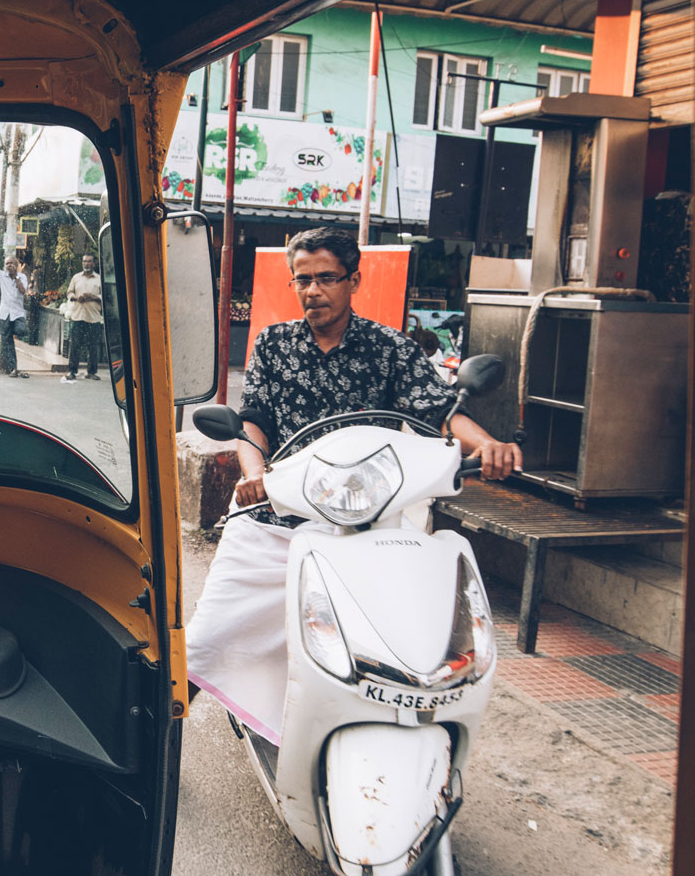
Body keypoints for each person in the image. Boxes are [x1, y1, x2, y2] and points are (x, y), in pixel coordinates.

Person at [182, 227, 520, 741]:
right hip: (276, 513)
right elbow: (252, 420)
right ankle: (155, 744)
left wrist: (486, 445)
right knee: (207, 639)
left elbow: (438, 411)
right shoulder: (273, 344)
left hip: (365, 529)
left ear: (353, 280)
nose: (313, 290)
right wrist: (254, 474)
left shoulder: (391, 348)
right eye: (302, 280)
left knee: (393, 646)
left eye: (326, 278)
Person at [0, 249, 31, 378]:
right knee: (6, 342)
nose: (9, 266)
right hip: (4, 314)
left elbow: (23, 291)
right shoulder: (1, 275)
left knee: (22, 330)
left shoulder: (22, 277)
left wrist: (16, 277)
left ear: (17, 265)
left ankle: (14, 332)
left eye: (12, 263)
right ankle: (12, 368)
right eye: (7, 264)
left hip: (17, 314)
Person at [62, 252, 104, 382]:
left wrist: (93, 297)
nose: (87, 264)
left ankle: (91, 372)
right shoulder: (76, 278)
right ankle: (72, 371)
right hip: (78, 316)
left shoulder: (99, 279)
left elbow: (105, 297)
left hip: (93, 317)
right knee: (75, 345)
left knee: (92, 346)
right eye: (85, 261)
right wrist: (76, 297)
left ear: (94, 263)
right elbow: (69, 292)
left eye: (89, 261)